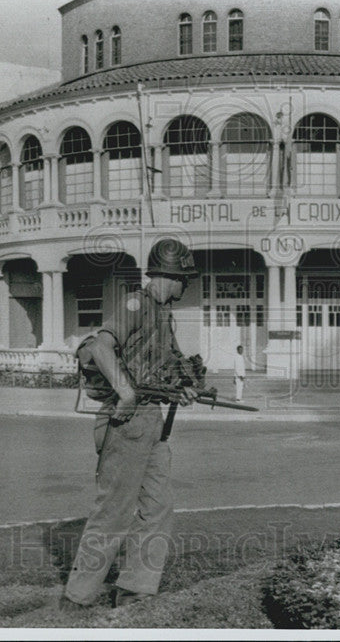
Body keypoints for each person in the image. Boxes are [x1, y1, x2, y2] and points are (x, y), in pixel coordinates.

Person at [62, 238, 200, 610]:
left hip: (152, 421)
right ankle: (77, 598)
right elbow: (101, 346)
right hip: (127, 421)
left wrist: (183, 389)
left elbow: (161, 368)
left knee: (158, 507)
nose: (186, 287)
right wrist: (125, 392)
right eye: (184, 279)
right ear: (172, 276)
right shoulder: (136, 304)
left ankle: (135, 590)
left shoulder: (161, 315)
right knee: (114, 511)